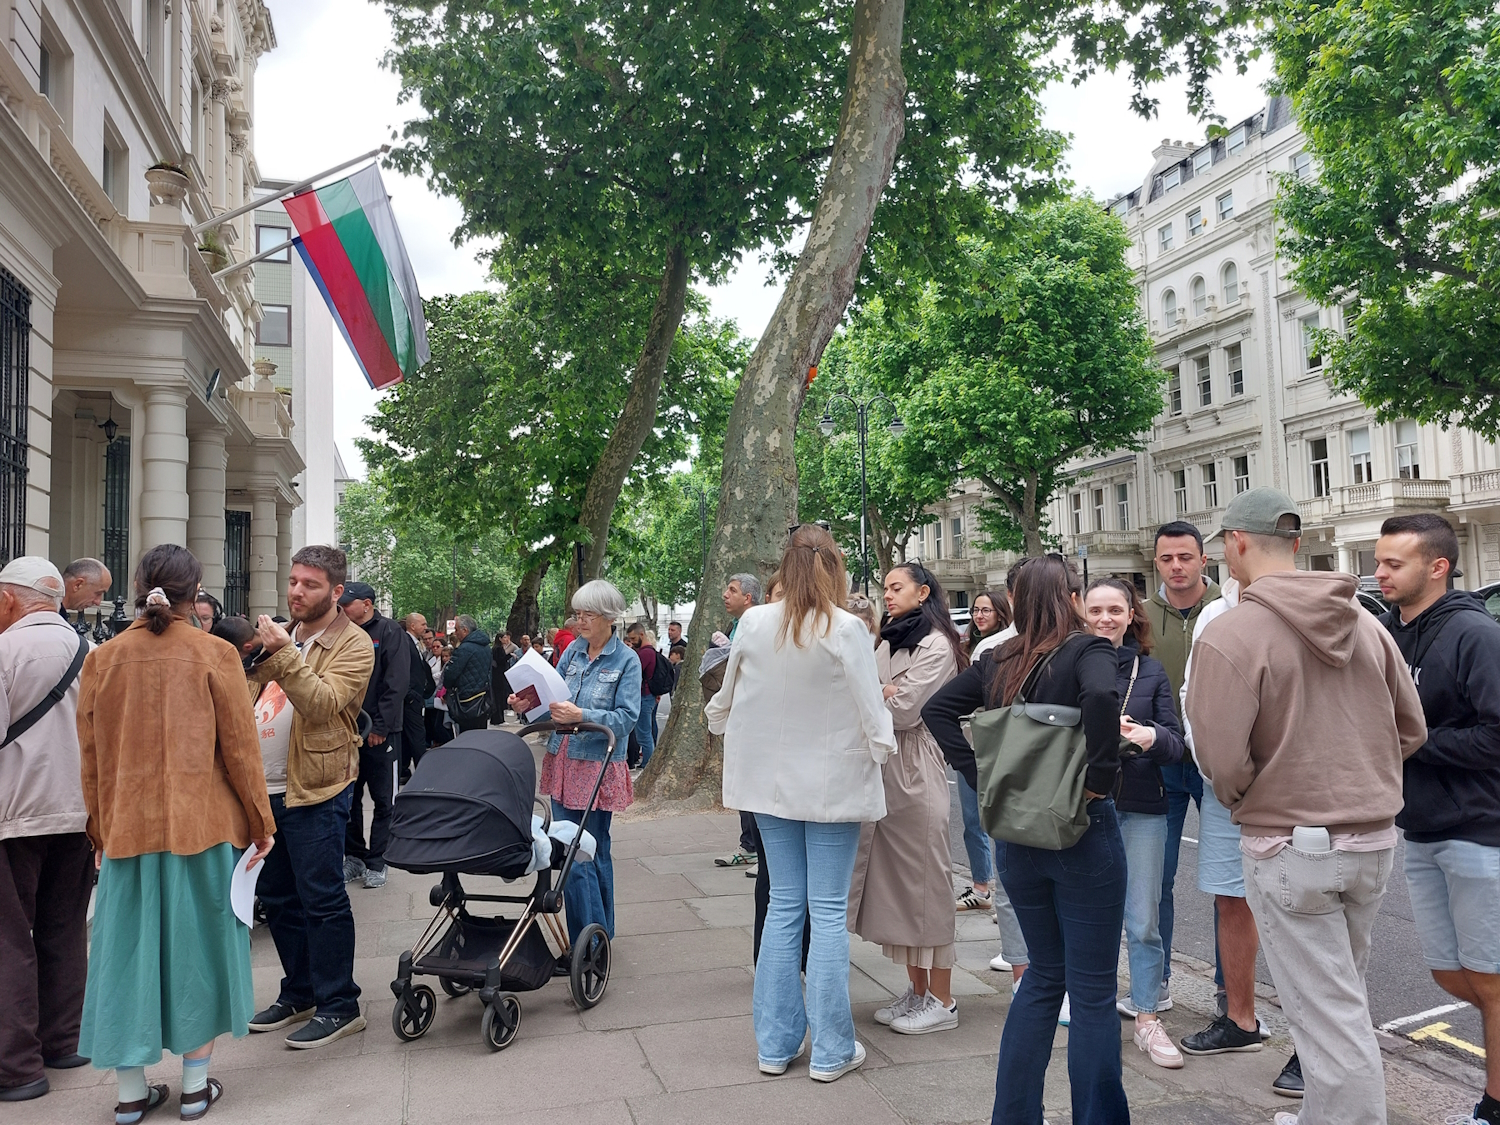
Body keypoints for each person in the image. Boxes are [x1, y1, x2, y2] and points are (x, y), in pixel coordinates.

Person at [1187, 488, 1426, 1125]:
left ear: (1236, 542)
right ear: (1295, 543)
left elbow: (1220, 759)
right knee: (1340, 1000)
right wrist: (1362, 780)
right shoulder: (1368, 624)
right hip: (1372, 837)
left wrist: (1255, 797)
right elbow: (1410, 728)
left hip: (1290, 843)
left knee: (1328, 1018)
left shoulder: (1232, 633)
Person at [924, 554, 1127, 1124]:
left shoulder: (998, 659)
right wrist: (1101, 776)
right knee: (1092, 992)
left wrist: (979, 774)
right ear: (1071, 597)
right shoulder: (1088, 650)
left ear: (1016, 602)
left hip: (1016, 835)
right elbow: (1101, 699)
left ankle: (1013, 1117)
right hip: (1080, 828)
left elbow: (938, 710)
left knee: (1041, 976)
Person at [76, 545, 275, 1122]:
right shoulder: (215, 654)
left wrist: (99, 830)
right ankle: (194, 1087)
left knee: (123, 958)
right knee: (200, 954)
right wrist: (261, 824)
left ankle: (129, 1095)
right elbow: (241, 752)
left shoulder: (103, 658)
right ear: (197, 590)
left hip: (127, 830)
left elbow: (90, 758)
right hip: (204, 827)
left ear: (138, 586)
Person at [706, 524, 895, 1082]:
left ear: (783, 567)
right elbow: (871, 708)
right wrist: (883, 750)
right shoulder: (846, 627)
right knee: (827, 912)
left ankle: (775, 1043)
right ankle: (832, 1049)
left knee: (784, 906)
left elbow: (727, 694)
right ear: (834, 567)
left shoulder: (754, 621)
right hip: (833, 783)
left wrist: (719, 723)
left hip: (768, 782)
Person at [1375, 513, 1500, 1125]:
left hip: (1480, 827)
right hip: (1420, 825)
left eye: (1393, 563)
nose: (1379, 573)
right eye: (1379, 561)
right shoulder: (1390, 632)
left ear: (1437, 567)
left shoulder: (1476, 634)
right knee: (1451, 974)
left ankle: (1493, 1108)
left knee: (1491, 981)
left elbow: (1496, 736)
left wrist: (1413, 742)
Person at [246, 546, 374, 1050]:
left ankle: (340, 1004)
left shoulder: (353, 643)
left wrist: (282, 654)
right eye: (294, 580)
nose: (296, 591)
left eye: (310, 584)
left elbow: (322, 705)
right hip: (264, 789)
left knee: (321, 898)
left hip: (317, 788)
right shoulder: (283, 635)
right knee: (278, 897)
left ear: (336, 591)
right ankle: (299, 991)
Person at [850, 561, 966, 1035]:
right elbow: (865, 696)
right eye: (885, 587)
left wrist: (877, 692)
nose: (888, 594)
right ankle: (917, 991)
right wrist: (882, 690)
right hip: (884, 767)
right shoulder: (889, 640)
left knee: (927, 885)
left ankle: (943, 999)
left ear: (923, 593)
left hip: (916, 767)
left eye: (897, 587)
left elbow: (904, 711)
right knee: (899, 888)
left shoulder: (937, 644)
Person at [1082, 578, 1186, 1070]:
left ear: (1130, 615)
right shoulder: (1068, 663)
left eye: (1115, 610)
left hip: (1142, 805)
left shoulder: (1151, 670)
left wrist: (1148, 736)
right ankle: (1093, 1012)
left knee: (1143, 920)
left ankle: (1147, 1016)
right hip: (1084, 807)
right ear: (1083, 616)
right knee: (1088, 919)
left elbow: (1176, 743)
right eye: (1096, 610)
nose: (1105, 618)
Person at [0, 559, 92, 1103]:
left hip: (13, 815)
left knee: (9, 940)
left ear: (9, 600)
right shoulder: (91, 651)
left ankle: (17, 1068)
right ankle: (65, 1040)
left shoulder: (6, 650)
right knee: (64, 929)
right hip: (77, 813)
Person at [511, 581, 638, 947]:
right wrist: (527, 705)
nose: (579, 621)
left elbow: (627, 718)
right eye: (577, 614)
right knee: (578, 851)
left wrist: (583, 714)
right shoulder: (572, 652)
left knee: (585, 853)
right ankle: (598, 936)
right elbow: (553, 705)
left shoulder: (626, 660)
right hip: (564, 760)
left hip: (597, 765)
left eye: (587, 615)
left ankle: (591, 942)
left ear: (609, 617)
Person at [1147, 521, 1221, 1014]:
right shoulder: (1140, 616)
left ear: (1203, 560)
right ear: (1156, 562)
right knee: (1155, 879)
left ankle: (1231, 994)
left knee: (1229, 886)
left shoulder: (1229, 608)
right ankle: (1156, 981)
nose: (1176, 567)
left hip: (1218, 762)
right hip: (1159, 761)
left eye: (1185, 557)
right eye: (1167, 559)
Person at [339, 583, 409, 890]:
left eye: (347, 604)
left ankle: (378, 861)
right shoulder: (341, 631)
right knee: (348, 799)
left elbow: (396, 683)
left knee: (384, 800)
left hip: (380, 733)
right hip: (347, 733)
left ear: (366, 604)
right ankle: (354, 856)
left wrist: (380, 726)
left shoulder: (389, 632)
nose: (342, 609)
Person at [955, 589, 1011, 915]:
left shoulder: (1001, 647)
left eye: (986, 610)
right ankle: (980, 887)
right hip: (970, 740)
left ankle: (1007, 899)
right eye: (975, 610)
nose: (978, 616)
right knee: (971, 820)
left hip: (993, 741)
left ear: (1001, 613)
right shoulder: (968, 647)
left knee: (1002, 822)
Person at [715, 573, 764, 870]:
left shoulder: (757, 625)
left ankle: (760, 850)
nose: (725, 594)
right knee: (743, 783)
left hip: (755, 718)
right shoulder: (736, 626)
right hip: (738, 716)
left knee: (755, 785)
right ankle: (750, 845)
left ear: (748, 598)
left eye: (732, 590)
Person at [443, 615, 492, 733]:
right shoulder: (486, 647)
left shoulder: (465, 648)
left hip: (466, 700)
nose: (455, 633)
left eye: (457, 630)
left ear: (465, 630)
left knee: (467, 734)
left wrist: (448, 686)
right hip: (483, 697)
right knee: (480, 733)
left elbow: (451, 674)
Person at [400, 614, 433, 782]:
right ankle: (424, 772)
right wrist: (411, 695)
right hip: (411, 698)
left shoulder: (414, 643)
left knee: (408, 736)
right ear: (412, 626)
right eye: (423, 624)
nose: (425, 628)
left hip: (415, 696)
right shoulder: (405, 642)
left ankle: (404, 770)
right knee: (417, 735)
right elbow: (402, 670)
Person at [624, 622, 659, 769]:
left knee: (643, 733)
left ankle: (647, 763)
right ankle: (647, 761)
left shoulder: (645, 653)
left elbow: (634, 673)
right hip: (646, 695)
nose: (632, 642)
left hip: (644, 696)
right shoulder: (648, 651)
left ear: (642, 635)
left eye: (633, 638)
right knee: (645, 732)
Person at [61, 557, 111, 622]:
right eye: (98, 593)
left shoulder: (56, 613)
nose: (98, 602)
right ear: (77, 585)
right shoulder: (50, 614)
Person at [490, 629, 514, 725]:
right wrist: (509, 656)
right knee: (499, 697)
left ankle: (497, 718)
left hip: (496, 675)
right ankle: (499, 718)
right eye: (504, 637)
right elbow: (500, 660)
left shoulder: (496, 648)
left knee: (497, 697)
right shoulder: (498, 649)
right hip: (499, 676)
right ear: (500, 639)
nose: (506, 639)